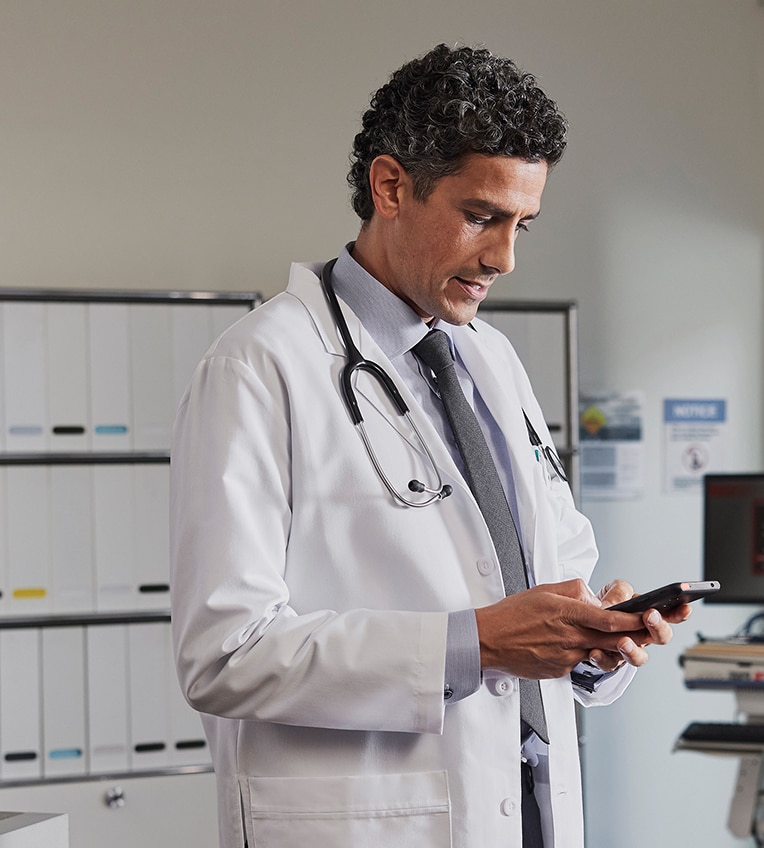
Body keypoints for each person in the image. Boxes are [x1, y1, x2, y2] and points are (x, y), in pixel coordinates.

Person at [170, 43, 687, 848]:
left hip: (525, 815)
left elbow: (551, 567)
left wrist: (594, 640)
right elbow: (223, 653)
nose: (504, 258)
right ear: (390, 186)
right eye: (481, 216)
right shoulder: (259, 366)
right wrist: (474, 643)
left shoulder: (491, 358)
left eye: (522, 224)